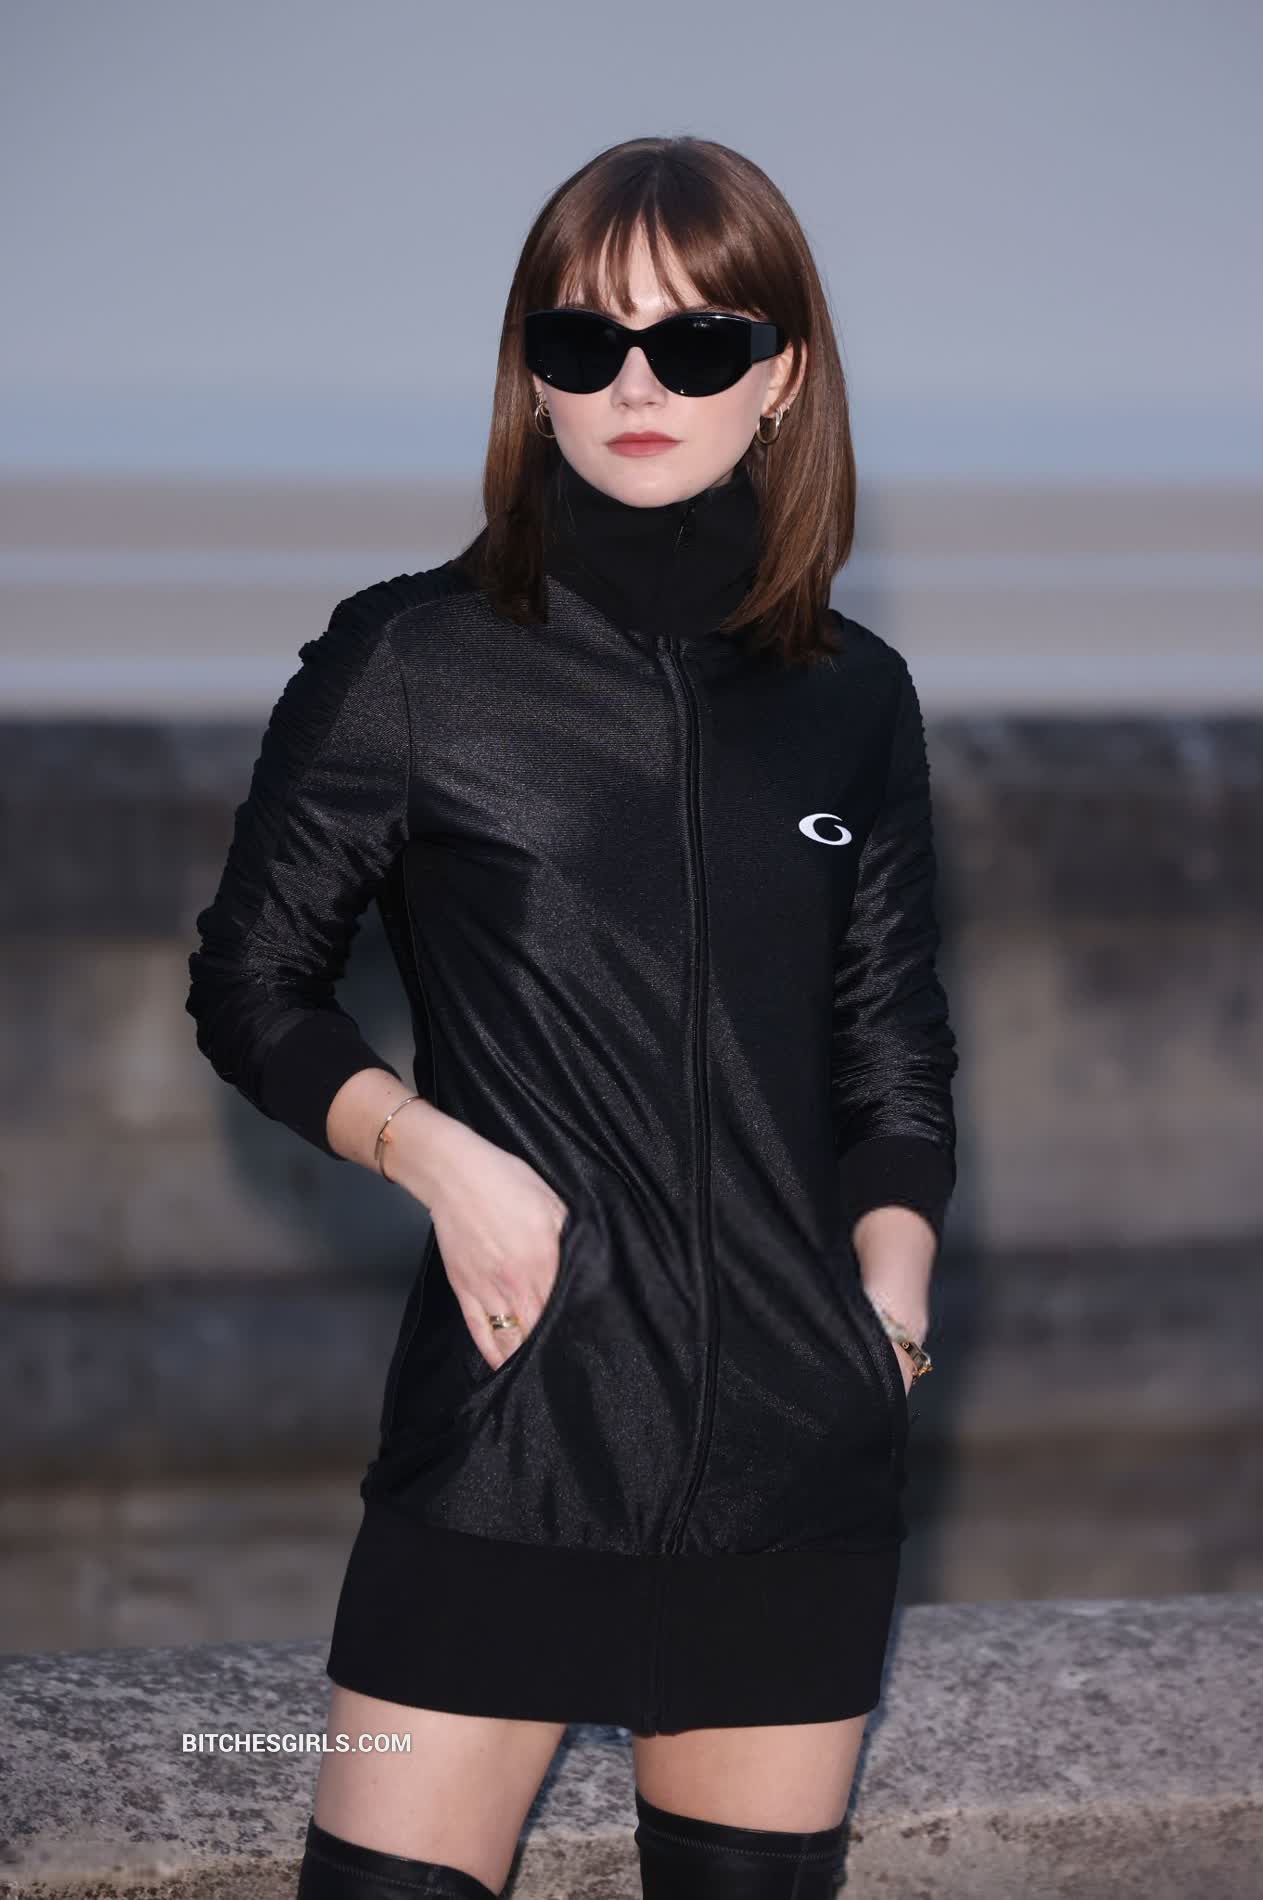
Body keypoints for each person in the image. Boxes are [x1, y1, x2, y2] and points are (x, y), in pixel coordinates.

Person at [186, 134, 957, 1900]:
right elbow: (251, 983)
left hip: (796, 1458)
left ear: (780, 376)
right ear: (530, 375)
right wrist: (440, 1159)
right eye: (583, 339)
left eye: (696, 342)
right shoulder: (411, 660)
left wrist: (892, 1306)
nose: (635, 384)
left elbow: (891, 1042)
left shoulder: (854, 698)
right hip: (510, 1427)